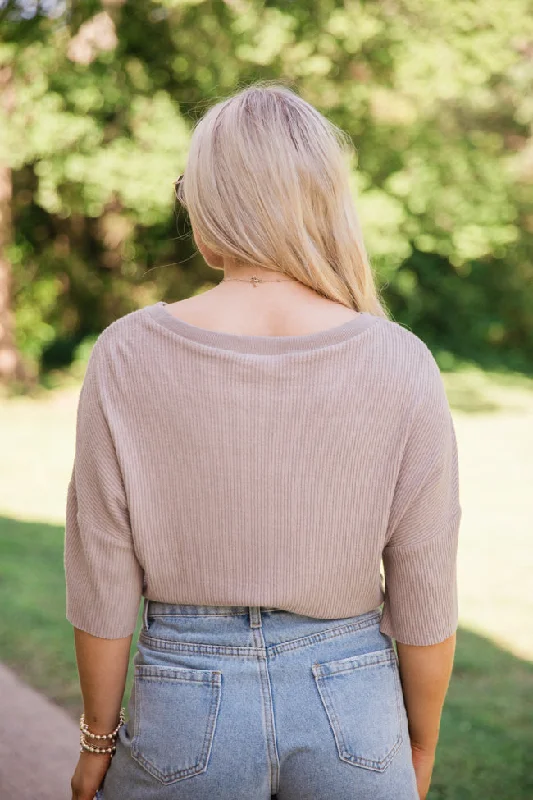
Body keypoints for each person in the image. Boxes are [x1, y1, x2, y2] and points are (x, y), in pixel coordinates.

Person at [66, 81, 461, 800]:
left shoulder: (124, 353)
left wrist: (98, 737)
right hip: (355, 703)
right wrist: (420, 745)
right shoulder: (401, 359)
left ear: (211, 201)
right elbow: (424, 586)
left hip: (184, 701)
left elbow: (102, 572)